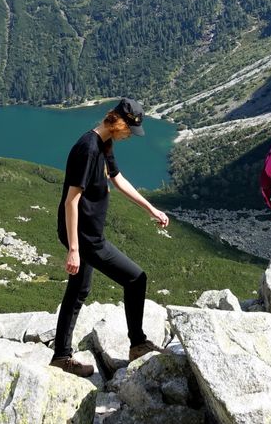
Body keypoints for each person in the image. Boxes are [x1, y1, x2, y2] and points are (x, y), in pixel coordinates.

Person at [50, 98, 169, 377]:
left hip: (88, 234)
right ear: (118, 123)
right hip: (86, 238)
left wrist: (151, 209)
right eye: (129, 129)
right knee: (136, 279)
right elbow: (71, 201)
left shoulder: (104, 144)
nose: (129, 135)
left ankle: (61, 356)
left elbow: (118, 178)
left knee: (78, 290)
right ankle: (137, 343)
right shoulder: (87, 149)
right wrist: (75, 250)